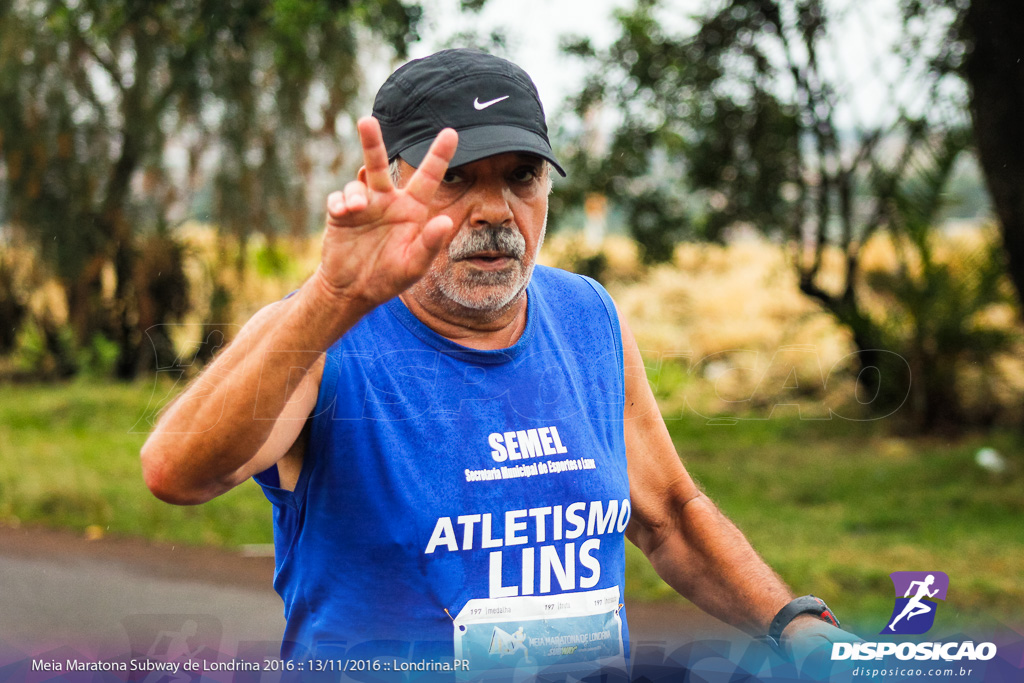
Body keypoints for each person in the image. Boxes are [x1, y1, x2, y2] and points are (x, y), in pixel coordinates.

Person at [141, 49, 853, 677]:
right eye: (456, 178)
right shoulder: (324, 336)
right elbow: (178, 472)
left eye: (522, 176)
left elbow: (668, 512)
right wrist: (331, 299)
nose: (495, 210)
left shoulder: (588, 318)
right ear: (391, 181)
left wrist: (796, 625)